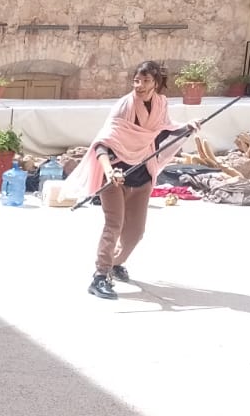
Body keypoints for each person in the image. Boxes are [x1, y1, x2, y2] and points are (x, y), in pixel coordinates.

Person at [66, 60, 198, 300]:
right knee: (114, 225)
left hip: (142, 174)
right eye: (136, 80)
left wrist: (186, 128)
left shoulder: (160, 104)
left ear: (156, 83)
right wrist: (109, 171)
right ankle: (100, 276)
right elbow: (102, 144)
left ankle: (116, 263)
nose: (139, 85)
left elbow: (163, 132)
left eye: (146, 81)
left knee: (135, 232)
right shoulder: (124, 106)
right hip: (115, 175)